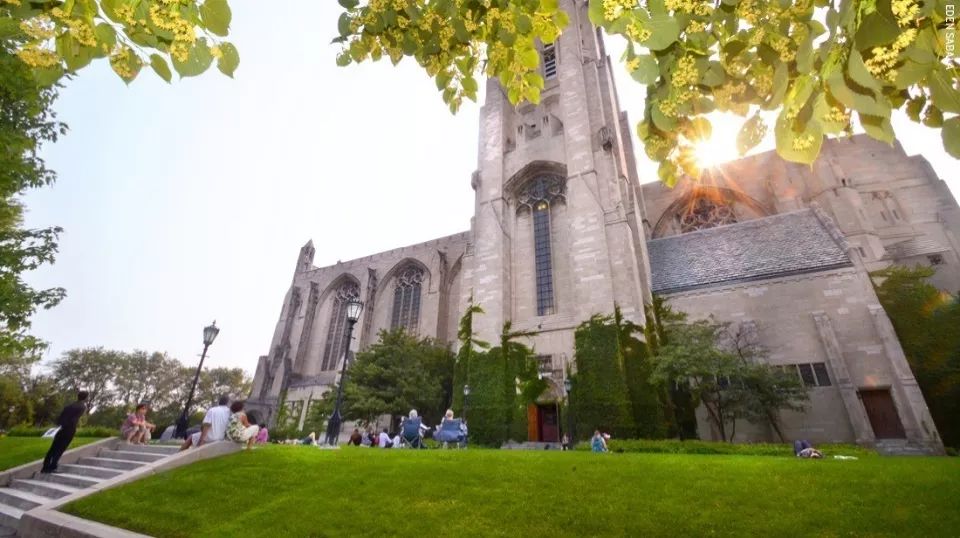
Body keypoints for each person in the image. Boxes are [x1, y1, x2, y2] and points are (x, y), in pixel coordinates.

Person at [41, 391, 88, 474]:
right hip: (69, 429)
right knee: (61, 449)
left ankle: (45, 467)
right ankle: (52, 466)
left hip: (61, 428)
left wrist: (60, 425)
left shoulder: (69, 406)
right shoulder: (82, 406)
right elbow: (74, 419)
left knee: (53, 448)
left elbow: (60, 417)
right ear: (85, 398)